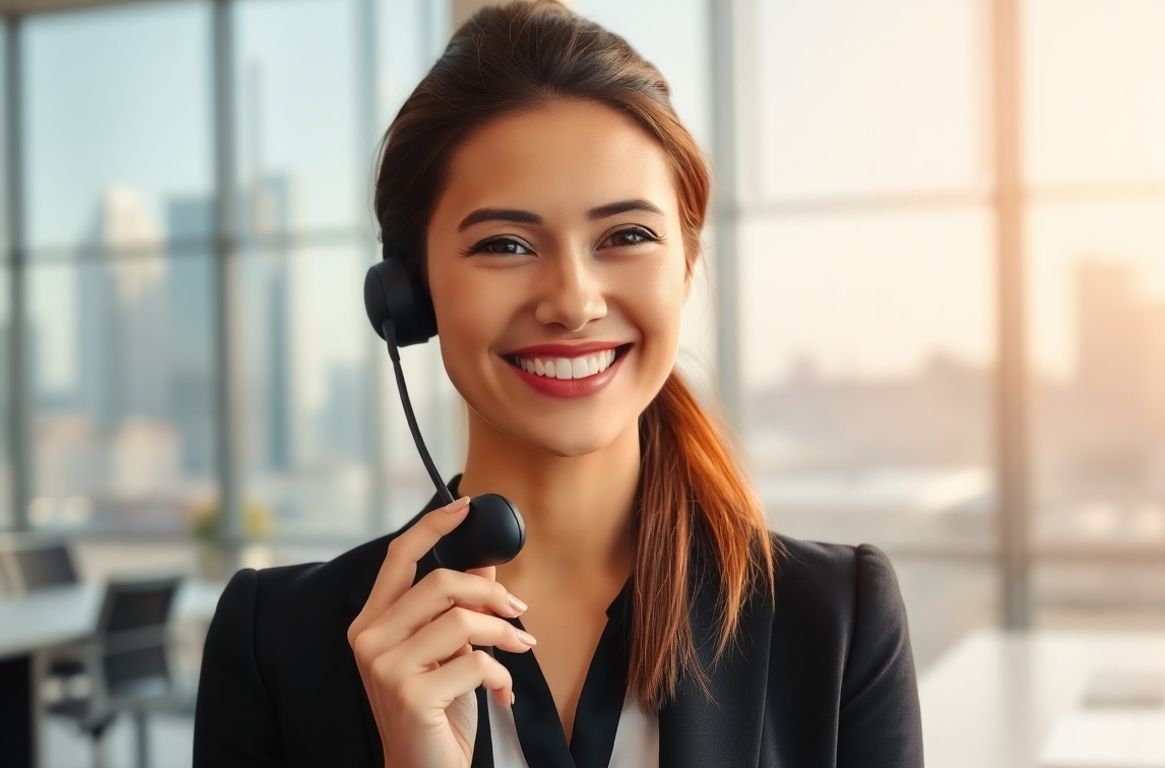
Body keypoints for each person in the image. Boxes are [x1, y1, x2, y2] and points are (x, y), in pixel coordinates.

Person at [191, 1, 922, 765]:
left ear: (687, 267)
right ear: (409, 295)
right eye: (505, 244)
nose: (573, 302)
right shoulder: (275, 644)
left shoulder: (837, 622)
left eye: (627, 236)